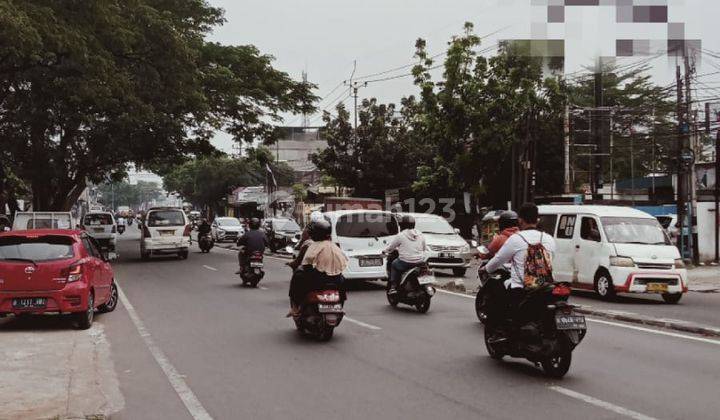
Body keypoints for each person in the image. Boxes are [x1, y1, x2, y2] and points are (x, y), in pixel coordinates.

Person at [481, 203, 556, 324]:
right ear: (537, 220)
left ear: (520, 220)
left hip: (521, 289)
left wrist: (486, 269)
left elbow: (499, 259)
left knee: (500, 300)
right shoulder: (549, 238)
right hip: (546, 285)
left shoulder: (516, 238)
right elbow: (552, 259)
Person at [287, 219, 347, 316]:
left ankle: (295, 307)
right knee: (343, 280)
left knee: (298, 273)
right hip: (335, 279)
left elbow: (306, 264)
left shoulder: (312, 245)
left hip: (318, 280)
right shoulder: (335, 246)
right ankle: (340, 306)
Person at [384, 215, 426, 295]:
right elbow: (424, 248)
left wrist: (384, 251)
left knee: (394, 264)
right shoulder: (420, 234)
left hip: (405, 262)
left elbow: (391, 247)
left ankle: (393, 286)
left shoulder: (401, 235)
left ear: (402, 225)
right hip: (419, 261)